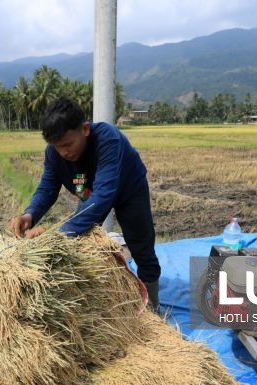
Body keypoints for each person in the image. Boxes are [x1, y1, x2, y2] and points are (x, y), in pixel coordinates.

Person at [10, 97, 162, 310]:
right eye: (57, 146)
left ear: (85, 129)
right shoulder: (54, 154)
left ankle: (153, 307)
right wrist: (30, 214)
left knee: (141, 244)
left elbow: (103, 196)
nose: (64, 152)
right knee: (81, 242)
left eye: (68, 144)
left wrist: (58, 233)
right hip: (90, 191)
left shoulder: (108, 140)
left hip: (128, 188)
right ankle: (96, 298)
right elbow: (47, 188)